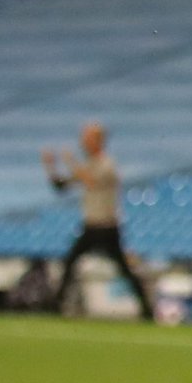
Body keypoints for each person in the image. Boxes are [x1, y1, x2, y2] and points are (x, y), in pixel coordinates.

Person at [44, 122, 155, 320]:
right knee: (70, 263)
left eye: (88, 138)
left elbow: (90, 181)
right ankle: (56, 304)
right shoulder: (89, 164)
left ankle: (147, 309)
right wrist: (51, 167)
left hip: (107, 227)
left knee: (123, 269)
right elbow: (61, 186)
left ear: (99, 141)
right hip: (90, 225)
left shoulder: (106, 164)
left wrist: (70, 162)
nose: (84, 142)